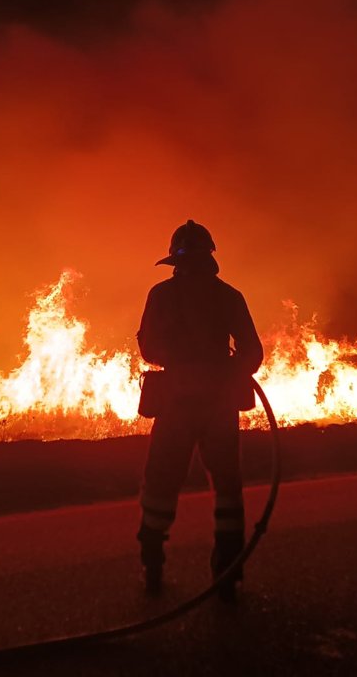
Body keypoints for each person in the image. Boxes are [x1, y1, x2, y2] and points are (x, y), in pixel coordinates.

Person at [136, 219, 264, 601]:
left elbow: (149, 349)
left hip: (178, 403)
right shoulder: (229, 296)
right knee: (226, 487)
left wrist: (181, 359)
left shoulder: (161, 295)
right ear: (210, 257)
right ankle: (227, 572)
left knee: (161, 483)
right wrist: (226, 367)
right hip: (218, 404)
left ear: (174, 260)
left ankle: (152, 565)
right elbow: (252, 354)